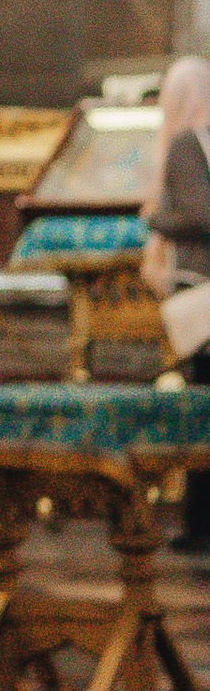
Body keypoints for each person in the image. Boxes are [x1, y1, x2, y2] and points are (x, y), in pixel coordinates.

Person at [143, 54, 210, 545]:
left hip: (200, 286)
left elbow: (195, 214)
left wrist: (157, 218)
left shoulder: (188, 141)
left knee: (201, 407)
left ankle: (199, 524)